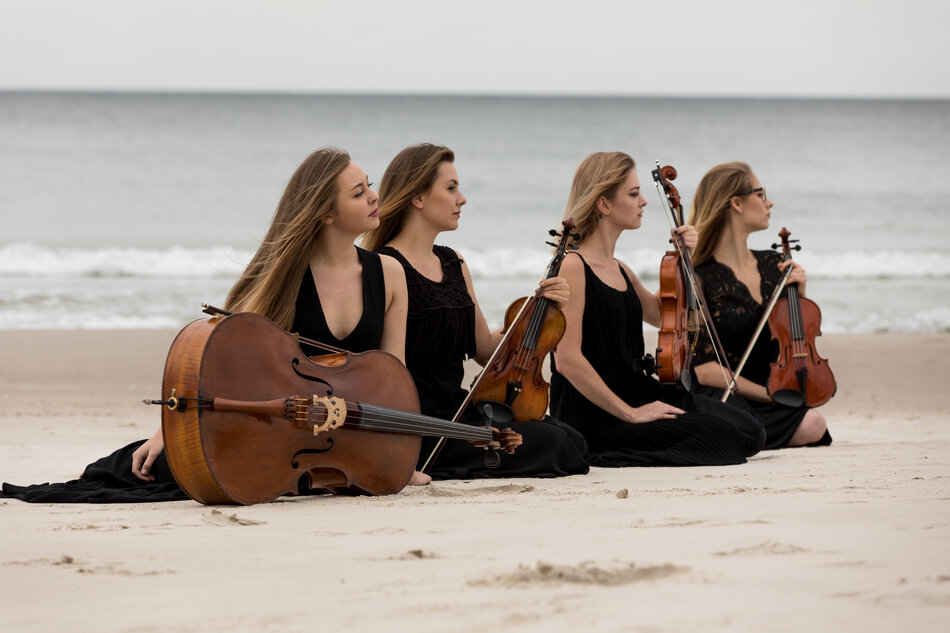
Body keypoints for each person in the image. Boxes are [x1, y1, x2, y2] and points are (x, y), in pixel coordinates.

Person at [2, 147, 427, 502]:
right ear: (326, 214)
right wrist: (167, 430)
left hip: (348, 440)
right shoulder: (282, 278)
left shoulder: (389, 273)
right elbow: (222, 360)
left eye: (369, 185)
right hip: (277, 433)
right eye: (359, 192)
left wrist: (397, 462)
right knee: (136, 473)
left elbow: (393, 378)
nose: (375, 197)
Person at [362, 143, 589, 479]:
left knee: (572, 439)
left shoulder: (454, 262)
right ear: (418, 197)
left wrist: (538, 308)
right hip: (424, 424)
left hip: (462, 410)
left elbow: (485, 349)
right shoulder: (385, 265)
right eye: (451, 188)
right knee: (556, 445)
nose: (462, 199)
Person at [549, 151, 765, 467]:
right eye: (634, 194)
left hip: (638, 390)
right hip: (598, 412)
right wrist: (630, 413)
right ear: (604, 204)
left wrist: (685, 257)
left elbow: (664, 315)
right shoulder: (573, 265)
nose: (644, 202)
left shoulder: (620, 268)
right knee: (719, 437)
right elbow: (567, 360)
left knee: (750, 430)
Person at [686, 161, 831, 448]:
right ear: (737, 203)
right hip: (724, 393)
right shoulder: (699, 277)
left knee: (814, 423)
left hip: (769, 393)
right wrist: (770, 395)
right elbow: (704, 370)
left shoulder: (774, 264)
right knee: (745, 421)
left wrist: (799, 298)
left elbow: (790, 343)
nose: (769, 202)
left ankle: (744, 437)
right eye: (761, 194)